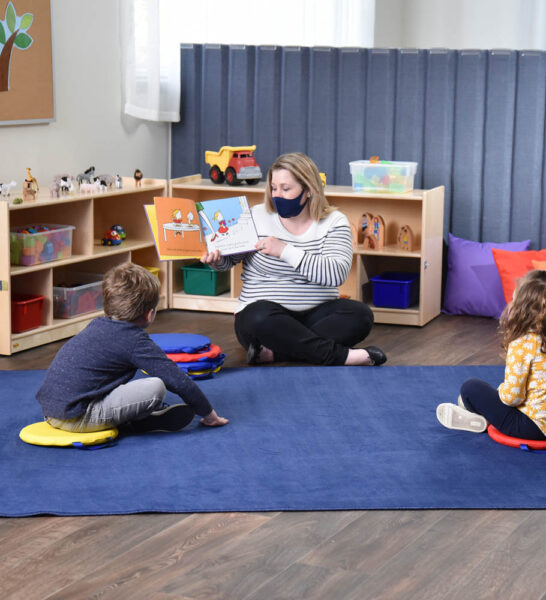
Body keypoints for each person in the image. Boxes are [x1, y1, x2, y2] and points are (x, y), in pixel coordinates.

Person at [202, 152, 386, 366]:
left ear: (308, 189)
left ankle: (279, 353)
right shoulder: (255, 216)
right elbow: (230, 260)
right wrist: (217, 260)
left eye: (286, 189)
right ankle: (342, 356)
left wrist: (285, 251)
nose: (277, 195)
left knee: (360, 315)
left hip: (317, 315)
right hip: (265, 316)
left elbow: (335, 275)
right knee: (257, 317)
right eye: (273, 188)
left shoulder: (334, 222)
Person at [36, 262, 228, 433]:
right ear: (149, 314)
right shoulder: (133, 340)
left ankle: (136, 417)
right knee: (155, 387)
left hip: (50, 411)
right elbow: (177, 380)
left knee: (123, 381)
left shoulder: (97, 324)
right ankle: (135, 419)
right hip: (77, 418)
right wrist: (209, 415)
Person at [437, 269, 546, 443]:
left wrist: (500, 391)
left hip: (531, 429)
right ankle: (481, 412)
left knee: (471, 389)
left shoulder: (523, 343)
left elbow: (512, 398)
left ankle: (481, 419)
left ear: (523, 310)